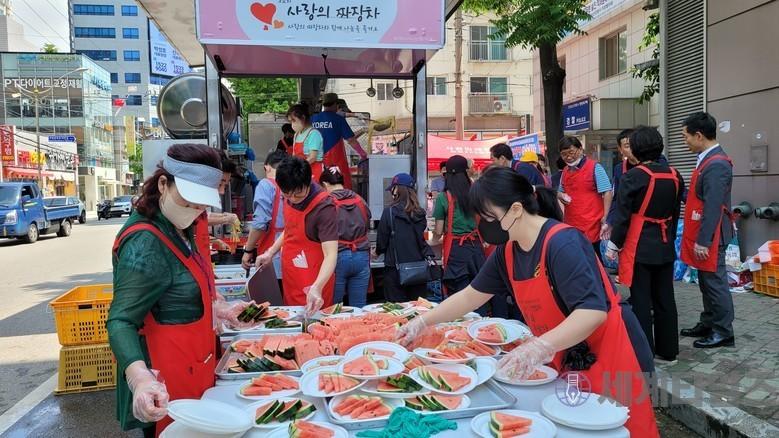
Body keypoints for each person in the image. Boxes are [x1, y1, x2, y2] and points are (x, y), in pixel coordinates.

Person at [397, 166, 659, 438]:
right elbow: (470, 296)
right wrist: (422, 322)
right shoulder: (507, 252)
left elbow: (591, 312)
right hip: (568, 352)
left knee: (621, 429)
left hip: (612, 350)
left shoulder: (563, 243)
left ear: (515, 210)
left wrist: (540, 345)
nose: (484, 225)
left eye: (489, 217)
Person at [108, 144, 254, 437]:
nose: (194, 211)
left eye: (201, 205)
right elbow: (121, 320)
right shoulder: (145, 243)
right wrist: (140, 379)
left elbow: (179, 289)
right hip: (165, 379)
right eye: (188, 201)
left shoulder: (180, 225)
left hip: (195, 367)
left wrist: (218, 309)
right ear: (163, 184)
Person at [606, 127, 685, 363]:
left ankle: (644, 353)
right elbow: (675, 213)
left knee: (640, 299)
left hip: (638, 244)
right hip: (664, 243)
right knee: (665, 297)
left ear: (637, 148)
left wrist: (613, 244)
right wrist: (669, 237)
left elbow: (622, 217)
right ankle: (669, 350)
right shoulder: (675, 174)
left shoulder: (633, 176)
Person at [679, 112, 736, 348]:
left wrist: (704, 241)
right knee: (706, 282)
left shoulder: (717, 164)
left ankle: (723, 331)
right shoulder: (707, 159)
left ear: (699, 135)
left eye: (686, 136)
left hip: (712, 236)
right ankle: (709, 322)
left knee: (715, 283)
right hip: (707, 233)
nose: (685, 141)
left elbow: (713, 206)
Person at [255, 156, 338, 315]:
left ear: (309, 181)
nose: (293, 199)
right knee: (291, 318)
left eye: (298, 195)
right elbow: (290, 229)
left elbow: (331, 254)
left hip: (315, 279)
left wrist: (317, 287)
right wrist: (270, 252)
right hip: (292, 275)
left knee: (314, 320)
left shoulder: (324, 207)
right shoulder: (289, 191)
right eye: (287, 195)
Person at [432, 155, 493, 315]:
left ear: (447, 174)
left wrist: (433, 241)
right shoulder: (476, 193)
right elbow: (486, 218)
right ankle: (480, 323)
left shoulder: (443, 197)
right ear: (465, 172)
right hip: (476, 247)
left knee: (459, 294)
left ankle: (463, 325)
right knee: (478, 290)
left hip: (456, 251)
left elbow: (438, 231)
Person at [376, 173, 435, 302]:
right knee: (417, 308)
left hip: (395, 271)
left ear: (397, 189)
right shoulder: (420, 213)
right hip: (418, 270)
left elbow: (381, 243)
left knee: (396, 310)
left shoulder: (389, 212)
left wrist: (376, 252)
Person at [319, 166, 371, 308]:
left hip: (337, 257)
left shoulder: (326, 203)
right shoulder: (359, 200)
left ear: (325, 184)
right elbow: (367, 222)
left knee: (334, 307)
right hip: (361, 256)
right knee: (359, 307)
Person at [558, 136, 613, 261]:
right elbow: (560, 192)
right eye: (564, 154)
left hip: (592, 224)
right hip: (571, 224)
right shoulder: (565, 171)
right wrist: (560, 195)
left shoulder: (595, 167)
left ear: (580, 149)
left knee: (594, 260)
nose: (568, 157)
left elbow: (607, 192)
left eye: (571, 152)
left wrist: (606, 216)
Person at [242, 150, 286, 280]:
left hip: (271, 256)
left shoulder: (265, 185)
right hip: (295, 256)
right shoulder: (293, 186)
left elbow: (260, 224)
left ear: (267, 167)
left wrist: (248, 250)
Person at [312, 93, 369, 189]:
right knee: (339, 191)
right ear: (336, 104)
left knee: (318, 191)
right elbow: (351, 140)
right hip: (335, 163)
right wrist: (363, 154)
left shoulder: (313, 119)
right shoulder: (338, 119)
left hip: (316, 163)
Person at [603, 129, 637, 241]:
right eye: (627, 146)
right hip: (625, 223)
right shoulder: (619, 169)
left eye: (634, 144)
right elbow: (616, 198)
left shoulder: (655, 164)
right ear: (620, 149)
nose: (632, 149)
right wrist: (609, 222)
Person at [287, 104, 325, 182]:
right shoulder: (296, 134)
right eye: (290, 122)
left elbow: (312, 157)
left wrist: (299, 167)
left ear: (303, 118)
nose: (292, 124)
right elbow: (294, 155)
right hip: (301, 172)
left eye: (294, 120)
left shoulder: (313, 133)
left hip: (314, 171)